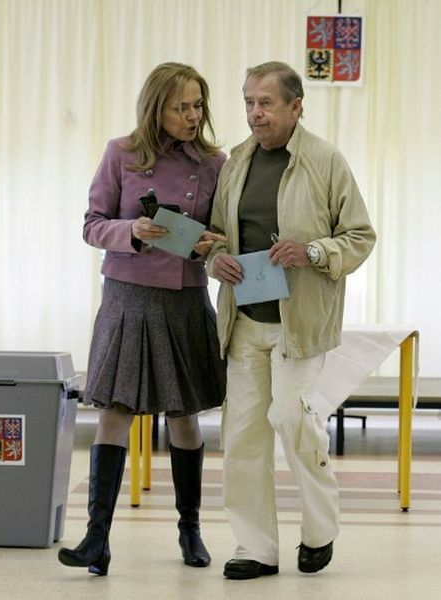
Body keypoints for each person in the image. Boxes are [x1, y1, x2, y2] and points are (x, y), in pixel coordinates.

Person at [207, 61, 376, 580]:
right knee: (242, 436)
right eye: (249, 103)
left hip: (298, 323)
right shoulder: (236, 162)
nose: (255, 113)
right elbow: (214, 236)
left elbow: (360, 236)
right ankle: (254, 546)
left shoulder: (325, 160)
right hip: (243, 322)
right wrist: (215, 259)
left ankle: (320, 529)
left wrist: (314, 252)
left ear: (295, 106)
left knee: (291, 419)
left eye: (266, 103)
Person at [58, 62, 226, 576]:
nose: (192, 116)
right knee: (115, 410)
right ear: (156, 109)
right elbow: (92, 225)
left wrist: (210, 243)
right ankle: (97, 538)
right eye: (180, 107)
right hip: (128, 297)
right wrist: (131, 230)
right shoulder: (121, 153)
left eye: (197, 105)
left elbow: (224, 235)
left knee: (184, 415)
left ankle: (190, 529)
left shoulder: (215, 163)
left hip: (183, 298)